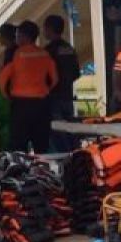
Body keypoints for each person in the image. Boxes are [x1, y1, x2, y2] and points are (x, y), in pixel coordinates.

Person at [0, 20, 56, 152]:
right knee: (41, 144)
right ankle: (41, 170)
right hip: (41, 104)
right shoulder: (44, 54)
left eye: (18, 35)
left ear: (24, 36)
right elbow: (55, 78)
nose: (16, 38)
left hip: (21, 104)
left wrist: (7, 95)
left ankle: (21, 171)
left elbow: (2, 79)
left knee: (19, 145)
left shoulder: (14, 55)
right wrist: (46, 90)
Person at [43, 15, 80, 149]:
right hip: (68, 96)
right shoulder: (69, 48)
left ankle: (64, 161)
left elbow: (45, 75)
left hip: (53, 97)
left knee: (57, 134)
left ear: (50, 29)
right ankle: (75, 154)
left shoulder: (48, 51)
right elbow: (76, 72)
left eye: (45, 28)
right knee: (71, 131)